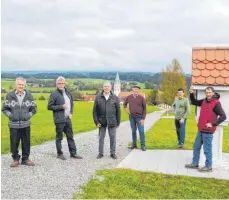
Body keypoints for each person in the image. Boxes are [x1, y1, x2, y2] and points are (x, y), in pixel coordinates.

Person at [185, 86, 226, 172]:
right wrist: (191, 93)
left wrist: (213, 124)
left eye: (209, 92)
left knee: (207, 149)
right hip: (200, 129)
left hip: (208, 131)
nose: (208, 94)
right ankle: (195, 163)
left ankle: (208, 166)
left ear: (213, 93)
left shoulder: (216, 103)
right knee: (196, 147)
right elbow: (194, 102)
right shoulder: (204, 101)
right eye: (206, 92)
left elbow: (223, 116)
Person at [2, 77, 37, 167]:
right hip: (13, 125)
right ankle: (15, 159)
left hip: (26, 124)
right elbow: (4, 109)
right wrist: (11, 116)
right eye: (19, 84)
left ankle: (25, 159)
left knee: (26, 142)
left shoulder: (29, 95)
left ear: (25, 85)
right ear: (16, 85)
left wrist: (28, 116)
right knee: (14, 142)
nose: (21, 86)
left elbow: (34, 109)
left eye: (22, 85)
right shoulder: (9, 95)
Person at [48, 76, 82, 160]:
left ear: (65, 84)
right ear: (57, 84)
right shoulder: (54, 94)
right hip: (59, 119)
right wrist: (61, 106)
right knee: (59, 137)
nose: (61, 84)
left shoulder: (67, 92)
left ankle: (73, 153)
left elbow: (72, 103)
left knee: (70, 136)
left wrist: (71, 113)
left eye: (62, 83)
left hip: (67, 118)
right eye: (59, 83)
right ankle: (60, 154)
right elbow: (49, 106)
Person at [93, 81, 120, 159]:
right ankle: (100, 153)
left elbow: (118, 111)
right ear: (103, 87)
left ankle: (113, 153)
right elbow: (94, 111)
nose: (106, 88)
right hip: (101, 121)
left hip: (112, 121)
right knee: (101, 137)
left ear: (110, 87)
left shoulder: (115, 97)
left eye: (108, 86)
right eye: (105, 86)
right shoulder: (98, 97)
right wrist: (96, 121)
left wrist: (118, 122)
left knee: (113, 137)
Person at [123, 85, 146, 151]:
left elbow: (144, 109)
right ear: (132, 90)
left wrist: (143, 119)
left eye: (137, 89)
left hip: (139, 118)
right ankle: (134, 145)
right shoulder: (129, 97)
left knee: (141, 131)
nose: (135, 90)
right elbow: (124, 104)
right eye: (134, 89)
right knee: (133, 131)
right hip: (132, 117)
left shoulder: (141, 98)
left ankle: (143, 146)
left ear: (138, 90)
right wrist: (126, 109)